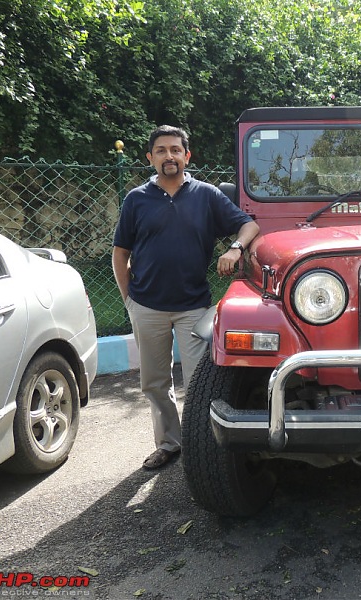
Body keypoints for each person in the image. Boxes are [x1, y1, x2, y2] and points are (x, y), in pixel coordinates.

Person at [112, 125, 259, 470]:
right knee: (155, 383)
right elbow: (120, 253)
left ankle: (200, 446)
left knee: (198, 384)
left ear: (186, 156)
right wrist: (128, 301)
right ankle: (168, 444)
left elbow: (249, 226)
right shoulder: (136, 199)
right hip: (147, 307)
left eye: (175, 150)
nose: (169, 156)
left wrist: (235, 250)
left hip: (194, 307)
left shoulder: (206, 195)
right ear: (150, 158)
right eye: (161, 150)